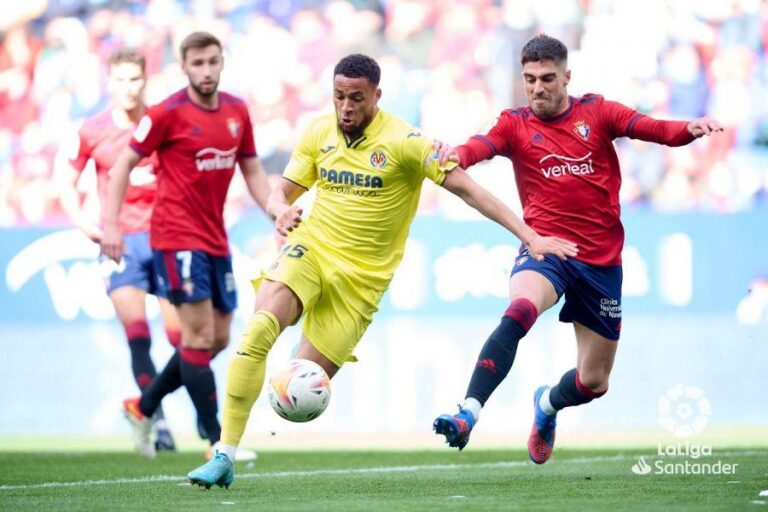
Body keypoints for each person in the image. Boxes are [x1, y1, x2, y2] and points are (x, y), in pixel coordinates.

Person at [185, 53, 578, 489]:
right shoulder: (319, 131)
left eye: (356, 98)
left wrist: (529, 236)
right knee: (258, 330)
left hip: (359, 286)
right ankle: (223, 453)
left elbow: (471, 191)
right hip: (311, 252)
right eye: (338, 97)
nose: (346, 107)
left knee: (300, 393)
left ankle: (266, 395)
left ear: (377, 96)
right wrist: (279, 211)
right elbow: (282, 191)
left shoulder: (406, 142)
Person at [432, 34, 724, 464]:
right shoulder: (513, 123)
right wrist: (454, 152)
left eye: (547, 78)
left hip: (601, 262)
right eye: (529, 79)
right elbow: (479, 147)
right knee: (519, 311)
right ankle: (468, 412)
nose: (537, 88)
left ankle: (547, 405)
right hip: (546, 247)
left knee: (594, 382)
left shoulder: (598, 112)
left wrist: (690, 129)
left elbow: (655, 129)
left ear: (567, 76)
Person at [100, 32, 271, 459]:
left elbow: (251, 168)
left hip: (215, 238)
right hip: (175, 238)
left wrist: (276, 211)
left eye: (213, 62)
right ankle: (218, 443)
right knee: (196, 337)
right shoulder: (166, 114)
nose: (207, 71)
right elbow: (123, 164)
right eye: (198, 64)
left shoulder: (236, 110)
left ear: (222, 62)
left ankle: (143, 406)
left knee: (216, 339)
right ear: (184, 67)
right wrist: (110, 225)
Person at [58, 48, 181, 452]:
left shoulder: (163, 123)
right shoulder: (92, 131)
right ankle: (160, 424)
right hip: (120, 243)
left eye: (136, 79)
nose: (129, 88)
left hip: (165, 239)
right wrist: (85, 225)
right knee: (138, 337)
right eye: (121, 80)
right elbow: (67, 184)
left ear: (146, 80)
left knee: (186, 340)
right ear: (110, 83)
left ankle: (148, 408)